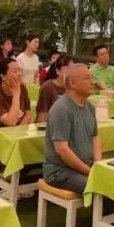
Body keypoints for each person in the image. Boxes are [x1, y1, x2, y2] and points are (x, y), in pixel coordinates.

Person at [43, 63, 101, 193]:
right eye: (87, 78)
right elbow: (62, 150)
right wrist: (90, 172)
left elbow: (95, 138)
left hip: (86, 165)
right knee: (99, 185)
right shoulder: (61, 109)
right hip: (60, 171)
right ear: (72, 83)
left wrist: (98, 166)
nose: (93, 82)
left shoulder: (90, 107)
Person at [37, 55, 73, 123]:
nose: (71, 72)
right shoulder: (47, 87)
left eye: (73, 69)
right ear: (58, 71)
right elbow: (42, 116)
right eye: (67, 69)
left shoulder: (72, 87)